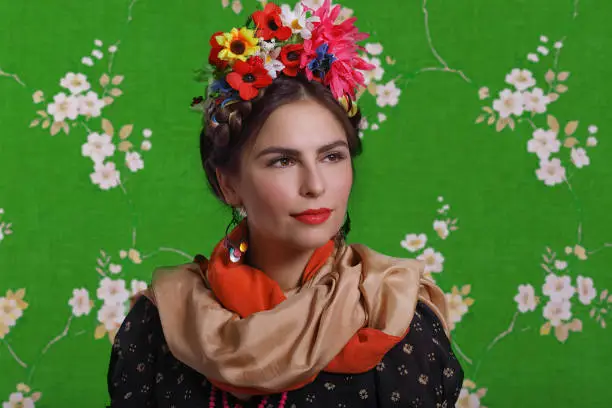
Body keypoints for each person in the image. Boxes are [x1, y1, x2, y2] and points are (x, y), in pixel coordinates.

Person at [106, 1, 464, 407]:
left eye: (332, 156)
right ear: (228, 185)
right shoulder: (164, 321)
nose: (315, 185)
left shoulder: (394, 312)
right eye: (283, 160)